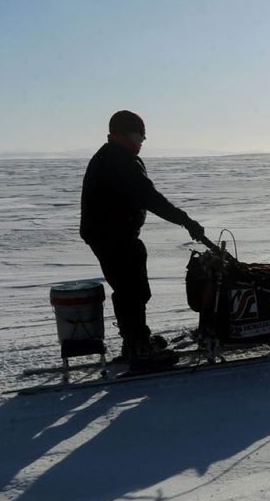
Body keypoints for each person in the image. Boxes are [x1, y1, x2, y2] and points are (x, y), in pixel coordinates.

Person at [79, 110, 205, 370]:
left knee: (129, 288)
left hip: (110, 234)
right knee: (132, 289)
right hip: (112, 235)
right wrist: (186, 221)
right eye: (140, 135)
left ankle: (135, 341)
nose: (143, 140)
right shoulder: (118, 160)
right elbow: (150, 197)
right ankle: (139, 348)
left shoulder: (113, 156)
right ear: (123, 134)